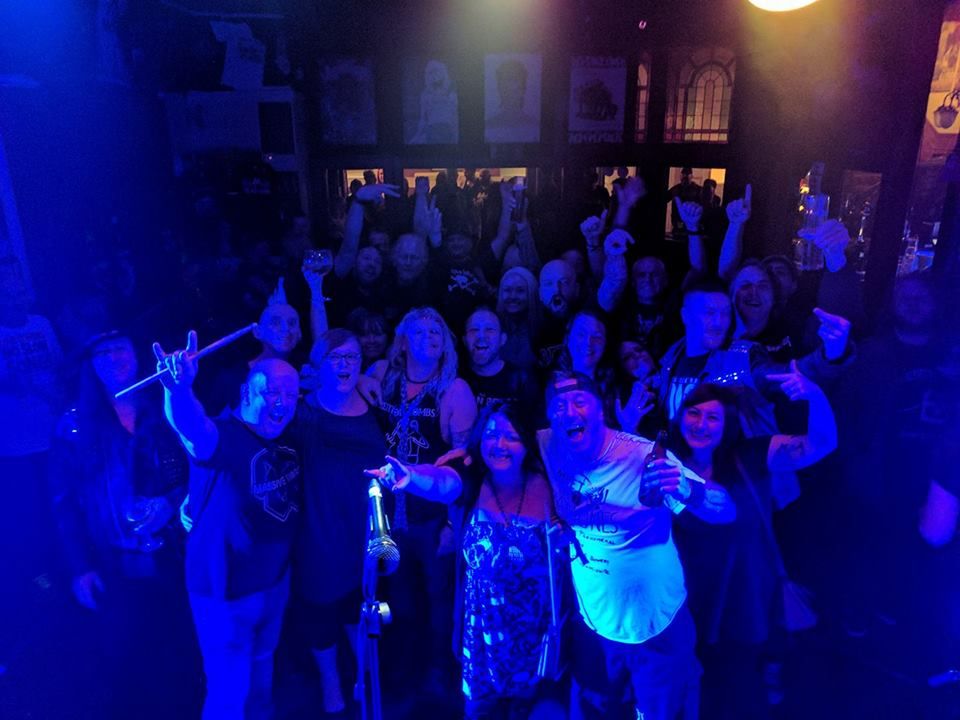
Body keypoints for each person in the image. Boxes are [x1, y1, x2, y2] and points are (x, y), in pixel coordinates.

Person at [537, 370, 734, 719]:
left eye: (580, 402)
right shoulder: (549, 445)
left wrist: (689, 489)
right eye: (559, 407)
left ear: (601, 409)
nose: (569, 412)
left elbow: (726, 511)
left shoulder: (642, 458)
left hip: (655, 628)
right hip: (595, 624)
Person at [367, 402, 562, 719]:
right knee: (482, 711)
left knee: (528, 708)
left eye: (511, 436)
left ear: (527, 442)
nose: (499, 444)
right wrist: (410, 476)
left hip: (533, 630)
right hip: (483, 626)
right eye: (491, 434)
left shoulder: (547, 483)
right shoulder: (471, 480)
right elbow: (441, 481)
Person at [49, 329, 201, 718]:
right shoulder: (74, 426)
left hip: (176, 554)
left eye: (121, 348)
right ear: (91, 365)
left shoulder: (165, 408)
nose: (114, 358)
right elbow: (65, 503)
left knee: (183, 651)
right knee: (129, 660)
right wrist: (80, 566)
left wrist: (171, 503)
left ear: (136, 354)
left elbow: (199, 467)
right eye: (103, 353)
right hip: (113, 561)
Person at [671, 375, 837, 719]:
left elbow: (822, 443)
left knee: (740, 689)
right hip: (686, 599)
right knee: (696, 691)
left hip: (742, 597)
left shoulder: (750, 455)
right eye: (694, 413)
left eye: (713, 417)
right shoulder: (670, 465)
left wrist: (814, 395)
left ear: (728, 423)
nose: (701, 424)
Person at [154, 332, 302, 720]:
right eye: (272, 392)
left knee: (262, 679)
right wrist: (177, 390)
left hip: (274, 584)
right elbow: (190, 425)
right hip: (225, 595)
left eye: (291, 395)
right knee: (228, 695)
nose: (283, 402)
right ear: (246, 393)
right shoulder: (222, 436)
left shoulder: (286, 439)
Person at [368, 307, 477, 692]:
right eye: (419, 332)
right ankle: (405, 670)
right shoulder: (383, 374)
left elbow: (462, 464)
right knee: (400, 597)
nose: (428, 338)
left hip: (431, 517)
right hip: (387, 514)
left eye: (436, 332)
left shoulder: (454, 390)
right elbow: (360, 391)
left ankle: (438, 673)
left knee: (438, 598)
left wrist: (451, 523)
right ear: (403, 340)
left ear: (445, 343)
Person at [288, 329, 385, 715]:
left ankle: (364, 678)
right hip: (319, 525)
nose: (346, 364)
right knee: (320, 606)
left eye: (352, 357)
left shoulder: (375, 403)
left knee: (359, 604)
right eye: (336, 357)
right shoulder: (302, 411)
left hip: (363, 526)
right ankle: (331, 686)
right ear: (319, 364)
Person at [460, 307, 541, 420]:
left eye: (489, 330)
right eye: (474, 330)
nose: (481, 336)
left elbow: (540, 428)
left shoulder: (522, 380)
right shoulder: (455, 379)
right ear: (464, 340)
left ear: (502, 339)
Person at [496, 265, 541, 370]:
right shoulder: (493, 327)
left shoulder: (543, 329)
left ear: (531, 293)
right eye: (507, 290)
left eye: (520, 290)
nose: (513, 296)